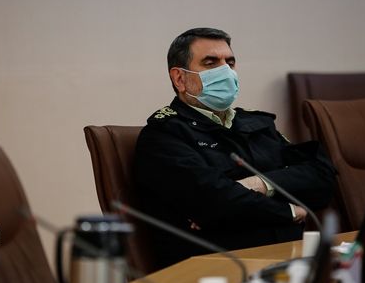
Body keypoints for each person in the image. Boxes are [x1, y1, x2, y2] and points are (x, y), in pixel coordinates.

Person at [134, 27, 336, 268]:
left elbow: (322, 177)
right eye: (211, 63)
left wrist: (258, 184)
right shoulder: (163, 135)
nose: (226, 71)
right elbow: (213, 202)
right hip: (219, 268)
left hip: (291, 258)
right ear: (180, 79)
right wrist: (290, 211)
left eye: (229, 63)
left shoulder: (255, 123)